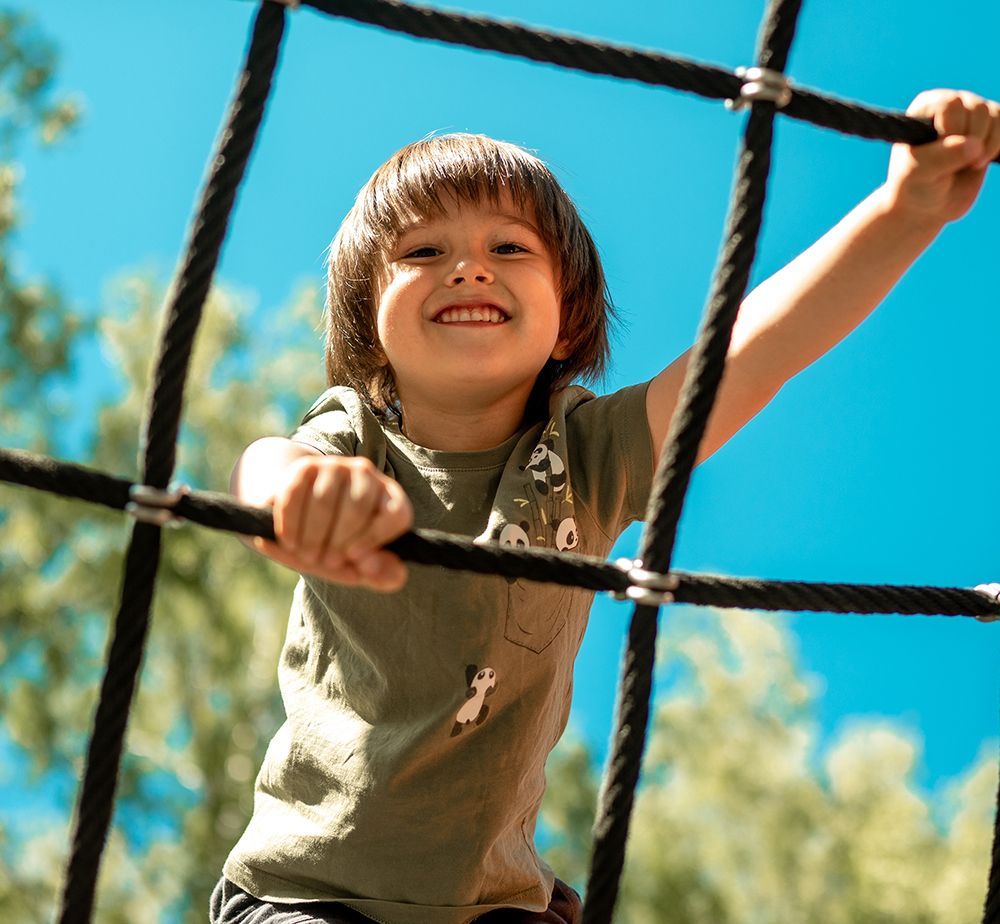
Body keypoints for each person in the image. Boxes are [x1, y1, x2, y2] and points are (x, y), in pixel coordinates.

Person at [211, 89, 1000, 924]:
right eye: (422, 250)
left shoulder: (585, 458)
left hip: (494, 906)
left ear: (566, 319)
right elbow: (270, 462)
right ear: (372, 324)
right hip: (309, 894)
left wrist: (901, 211)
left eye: (510, 247)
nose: (468, 266)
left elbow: (751, 354)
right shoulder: (359, 434)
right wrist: (294, 496)